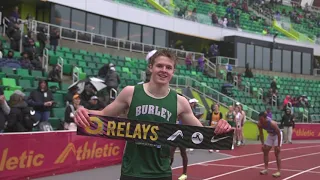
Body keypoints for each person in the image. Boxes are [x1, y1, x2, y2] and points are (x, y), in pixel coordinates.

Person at [74, 49, 232, 180]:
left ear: (173, 71)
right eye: (160, 66)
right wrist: (84, 112)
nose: (164, 70)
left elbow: (203, 134)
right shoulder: (131, 93)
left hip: (161, 172)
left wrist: (220, 127)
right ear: (151, 67)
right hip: (132, 171)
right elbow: (102, 115)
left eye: (168, 67)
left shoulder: (180, 102)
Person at [257, 111, 282, 178]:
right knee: (265, 150)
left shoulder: (272, 124)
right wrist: (262, 144)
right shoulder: (259, 124)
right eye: (259, 119)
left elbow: (279, 134)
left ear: (265, 118)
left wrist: (278, 146)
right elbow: (261, 134)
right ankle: (266, 169)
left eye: (261, 119)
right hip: (270, 135)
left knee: (277, 152)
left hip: (277, 135)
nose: (260, 121)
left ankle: (278, 171)